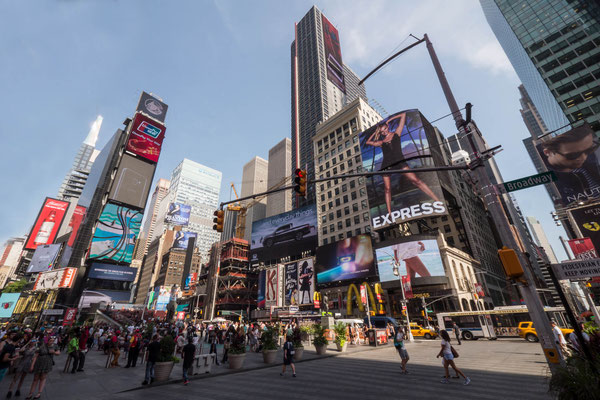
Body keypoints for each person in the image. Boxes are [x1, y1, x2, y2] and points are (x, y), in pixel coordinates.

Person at [365, 112, 440, 217]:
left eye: (385, 129)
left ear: (388, 127)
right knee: (387, 189)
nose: (383, 132)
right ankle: (390, 214)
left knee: (416, 181)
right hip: (386, 165)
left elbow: (403, 115)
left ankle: (437, 200)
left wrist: (389, 120)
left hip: (400, 162)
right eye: (381, 132)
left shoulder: (397, 133)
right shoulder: (381, 142)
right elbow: (368, 142)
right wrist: (376, 131)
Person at [540, 123, 600, 205]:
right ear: (548, 152)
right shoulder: (550, 182)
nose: (583, 157)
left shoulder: (592, 157)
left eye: (588, 150)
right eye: (573, 155)